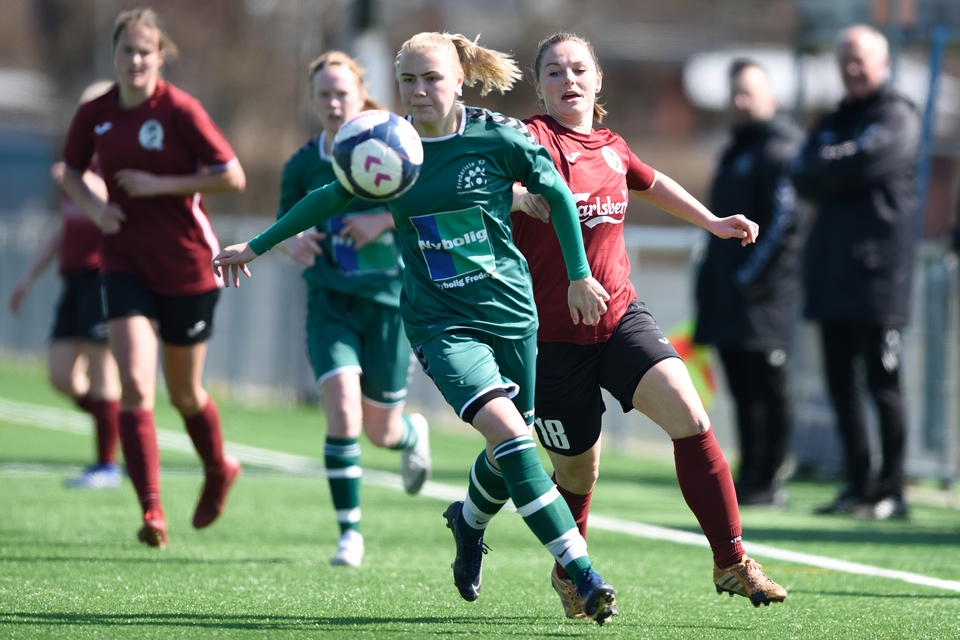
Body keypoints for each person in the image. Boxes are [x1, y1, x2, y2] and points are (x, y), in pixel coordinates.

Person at [213, 31, 618, 626]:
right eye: (408, 80)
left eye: (432, 78)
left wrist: (578, 274)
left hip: (512, 315)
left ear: (460, 80)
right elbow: (329, 196)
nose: (419, 90)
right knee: (512, 436)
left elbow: (555, 191)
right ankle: (582, 573)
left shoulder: (497, 136)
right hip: (440, 324)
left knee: (510, 446)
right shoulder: (388, 147)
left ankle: (468, 523)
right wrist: (258, 244)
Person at [510, 33, 788, 619]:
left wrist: (713, 221)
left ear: (598, 79)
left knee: (690, 414)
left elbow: (652, 181)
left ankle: (731, 560)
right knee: (578, 472)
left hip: (619, 319)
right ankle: (570, 572)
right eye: (554, 72)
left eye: (578, 69)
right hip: (553, 339)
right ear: (539, 86)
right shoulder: (529, 138)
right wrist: (513, 194)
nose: (568, 80)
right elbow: (480, 178)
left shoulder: (612, 146)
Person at [61, 8, 247, 549]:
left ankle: (218, 468)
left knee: (184, 393)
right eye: (127, 50)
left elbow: (232, 176)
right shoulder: (94, 113)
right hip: (124, 263)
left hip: (188, 268)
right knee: (137, 386)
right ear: (114, 54)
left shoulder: (181, 109)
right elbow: (71, 173)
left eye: (145, 51)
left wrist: (159, 184)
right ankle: (152, 510)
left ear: (160, 57)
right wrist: (97, 211)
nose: (136, 60)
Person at [275, 50, 431, 568]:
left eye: (342, 92)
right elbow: (285, 225)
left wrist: (381, 221)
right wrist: (292, 242)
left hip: (388, 305)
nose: (333, 102)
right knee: (342, 412)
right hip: (330, 303)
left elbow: (426, 204)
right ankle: (350, 535)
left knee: (381, 432)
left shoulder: (396, 142)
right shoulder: (302, 164)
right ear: (313, 99)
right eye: (323, 94)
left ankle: (412, 433)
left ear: (361, 93)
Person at [791, 25, 919, 520]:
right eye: (844, 59)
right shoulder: (832, 119)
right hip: (831, 273)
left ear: (882, 64)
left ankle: (891, 491)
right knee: (840, 385)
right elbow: (802, 174)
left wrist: (832, 166)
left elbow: (866, 166)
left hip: (879, 279)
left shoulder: (897, 114)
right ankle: (859, 485)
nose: (851, 68)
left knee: (883, 385)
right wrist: (836, 163)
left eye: (860, 59)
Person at [694, 59, 807, 507]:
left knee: (768, 385)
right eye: (735, 92)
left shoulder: (782, 150)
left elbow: (785, 224)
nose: (740, 101)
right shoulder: (733, 151)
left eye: (749, 92)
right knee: (742, 388)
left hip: (764, 297)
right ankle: (750, 475)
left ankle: (770, 477)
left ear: (770, 98)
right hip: (728, 295)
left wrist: (749, 277)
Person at [10, 81, 121, 489]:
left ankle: (107, 466)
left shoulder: (112, 162)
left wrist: (81, 179)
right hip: (73, 278)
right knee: (60, 376)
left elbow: (110, 203)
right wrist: (28, 276)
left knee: (101, 371)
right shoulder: (78, 164)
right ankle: (125, 428)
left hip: (103, 276)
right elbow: (64, 229)